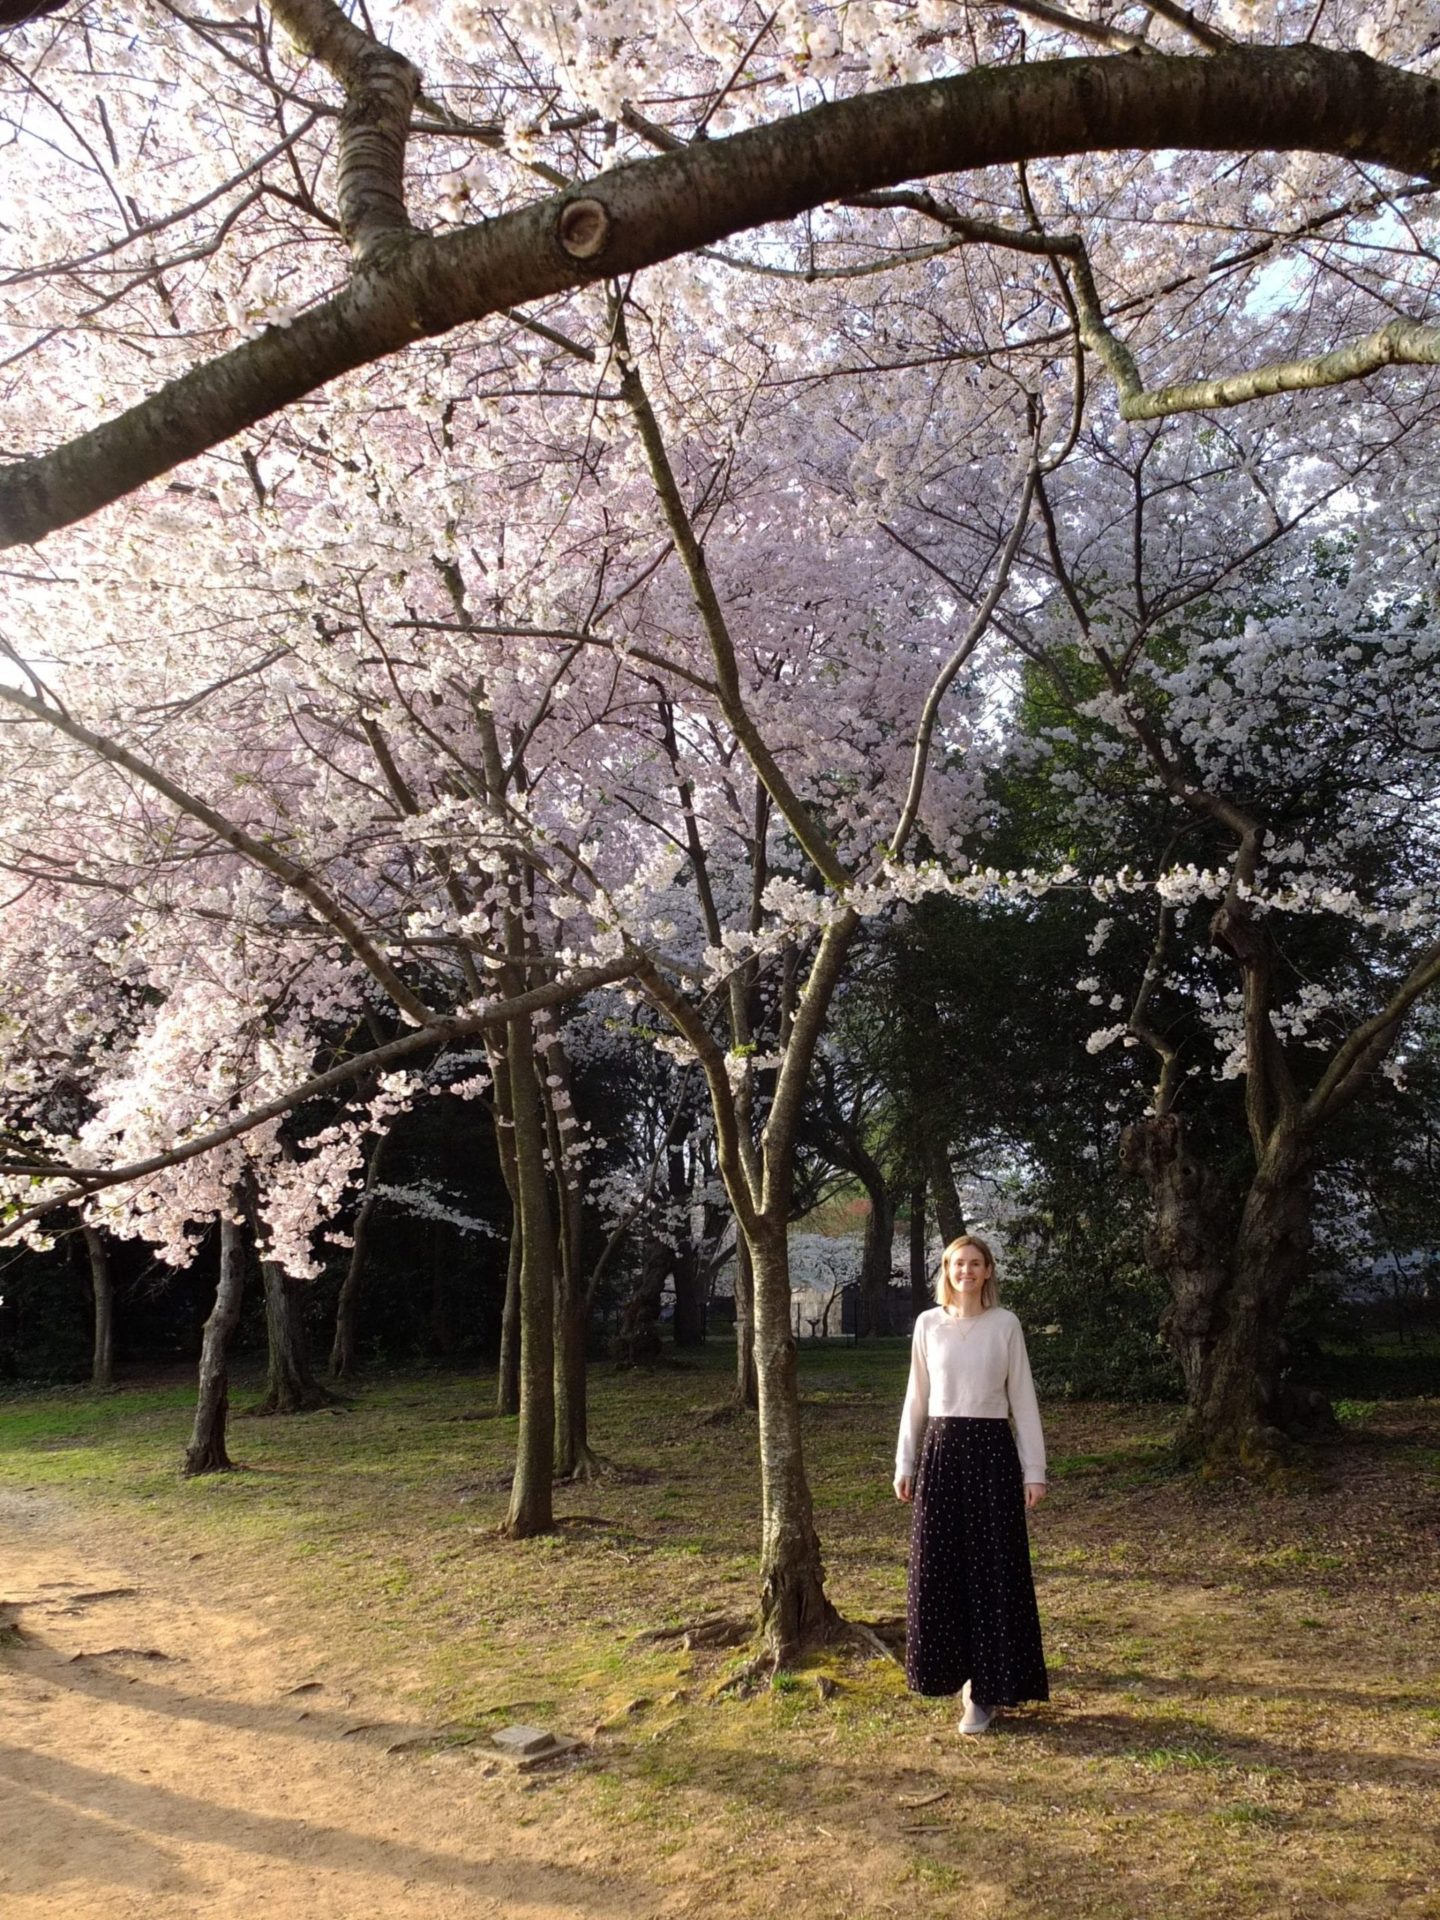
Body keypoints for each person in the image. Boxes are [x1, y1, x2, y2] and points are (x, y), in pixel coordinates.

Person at [894, 1232, 1049, 1734]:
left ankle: (986, 1691)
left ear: (988, 1272)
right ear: (947, 1269)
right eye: (959, 1263)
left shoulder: (1005, 1325)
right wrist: (905, 1463)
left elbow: (1022, 1399)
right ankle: (951, 1672)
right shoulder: (927, 1325)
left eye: (976, 1263)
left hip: (991, 1457)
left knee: (992, 1569)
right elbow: (916, 1398)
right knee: (941, 1567)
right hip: (940, 1456)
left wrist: (1035, 1470)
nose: (967, 1271)